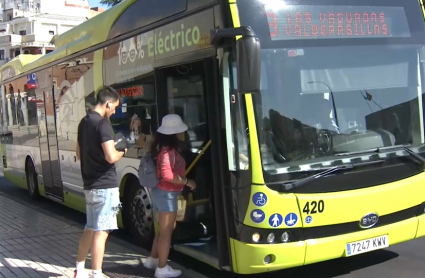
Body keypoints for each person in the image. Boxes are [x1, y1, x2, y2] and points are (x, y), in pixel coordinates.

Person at [74, 86, 127, 278]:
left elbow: (79, 154)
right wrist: (123, 150)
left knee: (90, 227)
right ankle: (96, 273)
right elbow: (111, 156)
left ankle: (79, 270)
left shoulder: (83, 122)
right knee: (102, 232)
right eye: (114, 108)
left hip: (90, 185)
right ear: (108, 103)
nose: (114, 112)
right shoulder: (103, 124)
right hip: (105, 186)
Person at [143, 114, 196, 278]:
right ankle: (162, 268)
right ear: (174, 133)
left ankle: (153, 260)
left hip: (161, 193)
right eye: (181, 131)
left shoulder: (161, 148)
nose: (183, 134)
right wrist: (187, 181)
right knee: (166, 231)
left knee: (164, 229)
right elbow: (167, 175)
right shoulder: (168, 151)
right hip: (166, 194)